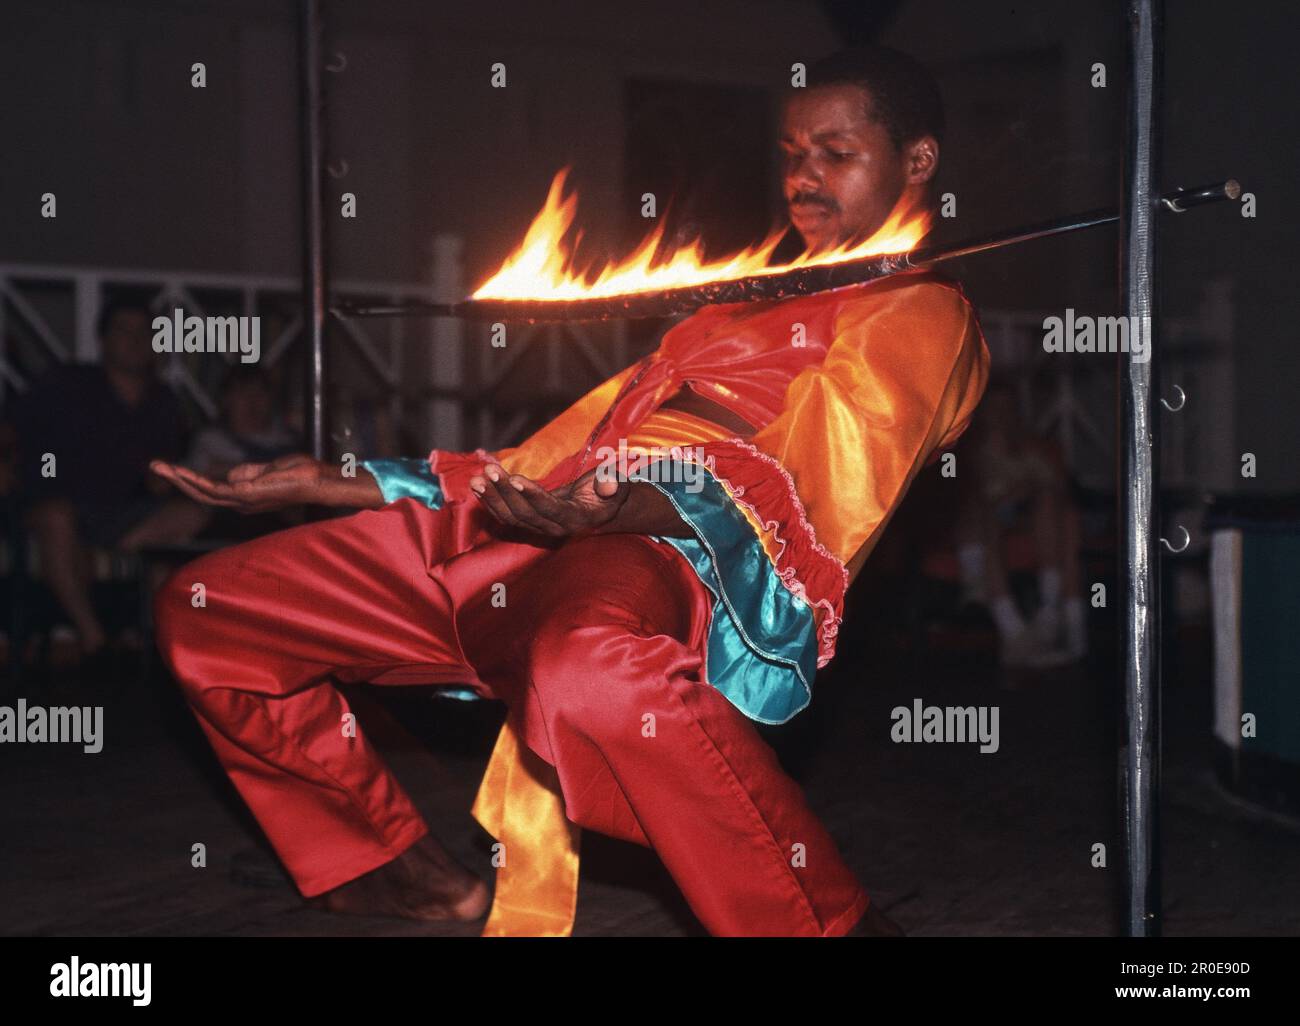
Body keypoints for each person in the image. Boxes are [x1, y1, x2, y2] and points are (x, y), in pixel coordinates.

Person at [150, 44, 990, 937]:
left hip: (657, 552)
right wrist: (344, 480)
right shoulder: (737, 305)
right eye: (791, 154)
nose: (804, 177)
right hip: (524, 533)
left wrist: (624, 507)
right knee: (207, 609)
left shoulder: (921, 313)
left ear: (918, 161)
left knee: (592, 669)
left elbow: (815, 485)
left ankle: (825, 925)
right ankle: (398, 869)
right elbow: (549, 460)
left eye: (835, 151)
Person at [9, 295, 206, 664]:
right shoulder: (66, 382)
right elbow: (13, 427)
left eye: (144, 332)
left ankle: (155, 636)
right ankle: (94, 640)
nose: (134, 340)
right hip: (58, 504)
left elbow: (161, 474)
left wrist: (166, 477)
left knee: (193, 512)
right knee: (57, 517)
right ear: (103, 339)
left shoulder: (163, 401)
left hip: (126, 513)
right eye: (124, 331)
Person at [954, 382, 1087, 667]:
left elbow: (1058, 486)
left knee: (1062, 514)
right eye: (995, 408)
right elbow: (967, 493)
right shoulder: (970, 451)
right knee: (986, 519)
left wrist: (1026, 489)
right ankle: (1014, 632)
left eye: (1007, 407)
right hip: (987, 520)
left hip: (1029, 515)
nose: (1001, 414)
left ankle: (1053, 615)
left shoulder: (1033, 446)